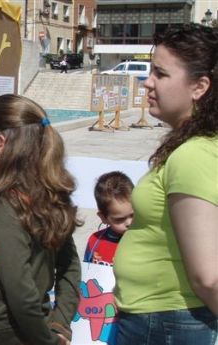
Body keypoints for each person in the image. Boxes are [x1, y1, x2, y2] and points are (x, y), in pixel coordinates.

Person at [114, 24, 218, 345]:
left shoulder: (194, 155)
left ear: (199, 86)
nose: (147, 82)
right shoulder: (188, 148)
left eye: (160, 73)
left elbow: (208, 276)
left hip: (168, 324)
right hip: (160, 321)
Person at [0, 95, 82, 345]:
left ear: (0, 143)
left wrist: (49, 340)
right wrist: (59, 323)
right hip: (41, 328)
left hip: (8, 335)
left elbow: (19, 293)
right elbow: (70, 267)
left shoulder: (6, 206)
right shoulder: (52, 196)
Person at [84, 171, 134, 266]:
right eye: (119, 219)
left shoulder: (146, 240)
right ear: (103, 217)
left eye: (133, 215)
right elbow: (87, 275)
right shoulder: (95, 242)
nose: (129, 223)